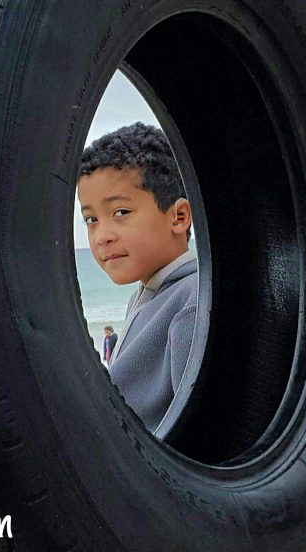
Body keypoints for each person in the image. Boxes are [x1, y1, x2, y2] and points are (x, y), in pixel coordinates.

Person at [77, 122, 197, 430]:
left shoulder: (193, 302)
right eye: (91, 219)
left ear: (179, 217)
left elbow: (198, 433)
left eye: (120, 212)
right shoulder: (144, 297)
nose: (102, 236)